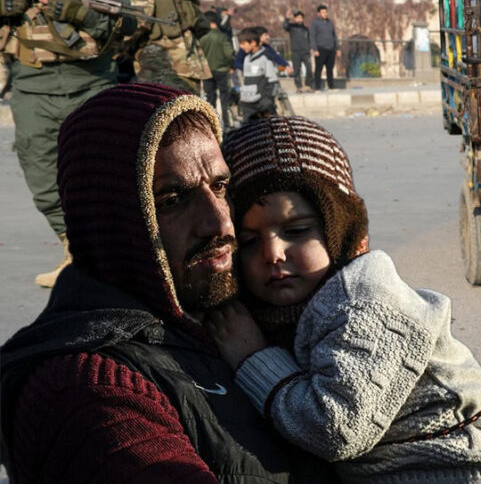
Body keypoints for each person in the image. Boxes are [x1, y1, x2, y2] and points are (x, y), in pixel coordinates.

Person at [0, 83, 336, 482]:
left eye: (219, 186)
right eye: (173, 198)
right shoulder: (91, 392)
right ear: (113, 220)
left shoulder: (237, 316)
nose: (221, 223)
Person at [208, 115, 481, 484]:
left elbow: (337, 428)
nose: (273, 253)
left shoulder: (366, 297)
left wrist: (254, 359)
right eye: (250, 241)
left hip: (462, 471)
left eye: (296, 231)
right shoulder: (280, 310)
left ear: (341, 228)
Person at [0, 0, 134, 287]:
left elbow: (128, 22)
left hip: (90, 83)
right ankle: (74, 253)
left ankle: (113, 259)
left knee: (106, 172)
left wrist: (77, 11)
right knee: (42, 174)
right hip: (31, 87)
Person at [237, 27, 282, 121]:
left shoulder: (265, 58)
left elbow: (273, 81)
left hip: (261, 104)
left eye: (243, 43)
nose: (241, 46)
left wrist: (267, 100)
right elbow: (246, 80)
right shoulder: (246, 59)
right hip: (247, 103)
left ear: (253, 43)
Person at [201, 10, 236, 129]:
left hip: (206, 71)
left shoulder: (202, 37)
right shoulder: (223, 37)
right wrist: (231, 65)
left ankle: (211, 123)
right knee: (225, 98)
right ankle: (227, 123)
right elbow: (229, 54)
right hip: (222, 70)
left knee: (210, 98)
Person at [309, 4, 339, 91]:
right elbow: (312, 36)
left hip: (331, 49)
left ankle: (331, 86)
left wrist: (337, 48)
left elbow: (334, 36)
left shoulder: (330, 22)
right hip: (320, 49)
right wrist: (315, 49)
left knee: (330, 69)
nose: (325, 14)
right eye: (323, 12)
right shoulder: (315, 23)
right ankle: (317, 87)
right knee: (319, 69)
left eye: (326, 12)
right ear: (318, 13)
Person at [283, 10, 313, 92]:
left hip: (305, 52)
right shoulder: (292, 27)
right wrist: (287, 18)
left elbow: (309, 39)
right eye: (298, 18)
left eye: (301, 18)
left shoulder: (306, 29)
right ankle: (299, 87)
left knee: (309, 69)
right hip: (296, 51)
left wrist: (310, 48)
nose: (299, 19)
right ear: (295, 19)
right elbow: (285, 26)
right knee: (296, 70)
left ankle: (308, 86)